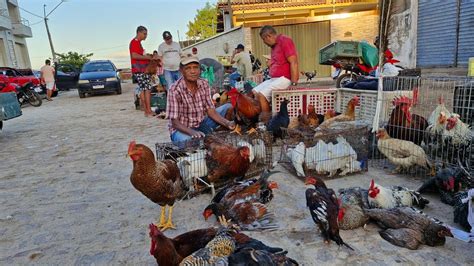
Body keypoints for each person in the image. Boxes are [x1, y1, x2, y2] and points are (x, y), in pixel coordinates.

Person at [166, 53, 235, 144]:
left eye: (195, 67)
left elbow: (210, 110)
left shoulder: (204, 84)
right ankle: (199, 137)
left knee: (228, 107)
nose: (193, 71)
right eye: (188, 68)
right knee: (191, 142)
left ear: (200, 69)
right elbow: (175, 122)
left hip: (201, 123)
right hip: (181, 129)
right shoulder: (174, 90)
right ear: (181, 71)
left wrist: (227, 123)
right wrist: (192, 132)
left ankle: (219, 130)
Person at [253, 25, 299, 114]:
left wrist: (294, 83)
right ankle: (262, 114)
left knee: (262, 95)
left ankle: (265, 122)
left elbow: (294, 62)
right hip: (275, 79)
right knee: (255, 91)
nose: (264, 42)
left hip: (285, 78)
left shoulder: (284, 41)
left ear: (269, 36)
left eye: (263, 39)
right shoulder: (273, 47)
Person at [129, 25, 156, 117]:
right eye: (144, 34)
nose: (146, 36)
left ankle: (147, 110)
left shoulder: (138, 43)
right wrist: (147, 57)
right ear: (139, 33)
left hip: (142, 70)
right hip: (140, 70)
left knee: (144, 90)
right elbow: (134, 56)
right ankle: (147, 111)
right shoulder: (134, 42)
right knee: (147, 90)